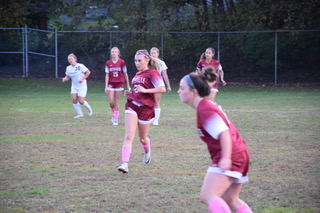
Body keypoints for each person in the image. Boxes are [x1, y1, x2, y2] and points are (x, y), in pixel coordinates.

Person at [177, 67, 252, 213]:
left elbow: (223, 133)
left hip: (231, 155)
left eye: (181, 88)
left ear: (193, 92)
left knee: (208, 195)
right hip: (239, 153)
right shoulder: (205, 106)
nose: (178, 91)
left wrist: (225, 158)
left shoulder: (204, 109)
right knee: (231, 200)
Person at [117, 49, 166, 173]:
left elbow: (162, 89)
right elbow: (137, 90)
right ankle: (124, 163)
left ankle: (147, 151)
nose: (137, 63)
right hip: (132, 105)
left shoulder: (153, 73)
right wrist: (130, 93)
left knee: (142, 138)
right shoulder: (137, 75)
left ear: (147, 60)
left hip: (146, 109)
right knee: (129, 135)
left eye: (139, 60)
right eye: (135, 61)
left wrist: (145, 91)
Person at [105, 47, 131, 125]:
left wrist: (128, 84)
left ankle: (116, 118)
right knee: (111, 102)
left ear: (118, 53)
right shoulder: (108, 63)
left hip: (119, 83)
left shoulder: (122, 62)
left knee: (116, 101)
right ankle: (114, 114)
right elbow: (107, 75)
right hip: (111, 84)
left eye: (115, 52)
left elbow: (125, 73)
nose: (114, 53)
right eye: (112, 52)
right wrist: (106, 86)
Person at [62, 53, 93, 118]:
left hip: (82, 86)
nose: (70, 60)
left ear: (75, 59)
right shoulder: (68, 68)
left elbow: (88, 72)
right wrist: (65, 79)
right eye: (69, 59)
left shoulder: (80, 66)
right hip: (74, 86)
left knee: (81, 101)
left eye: (71, 59)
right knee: (74, 99)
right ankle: (80, 114)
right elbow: (68, 76)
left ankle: (89, 110)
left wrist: (82, 79)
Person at [149, 47, 172, 125]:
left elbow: (165, 75)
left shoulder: (161, 62)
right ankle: (151, 118)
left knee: (156, 102)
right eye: (151, 53)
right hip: (149, 84)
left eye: (154, 53)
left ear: (158, 54)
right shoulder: (148, 62)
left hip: (158, 84)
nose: (153, 54)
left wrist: (168, 86)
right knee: (149, 102)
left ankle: (156, 120)